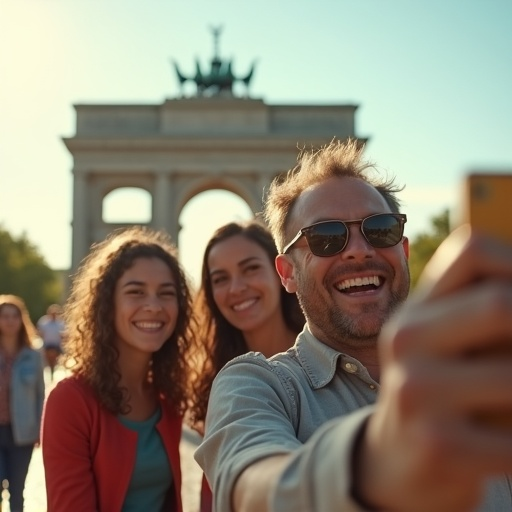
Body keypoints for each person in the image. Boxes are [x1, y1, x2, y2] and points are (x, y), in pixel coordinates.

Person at [194, 138, 512, 512]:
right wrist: (372, 461)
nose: (359, 249)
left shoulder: (486, 376)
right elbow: (250, 485)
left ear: (404, 251)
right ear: (287, 273)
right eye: (327, 237)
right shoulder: (255, 384)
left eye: (380, 230)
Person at [41, 226, 197, 512]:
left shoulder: (167, 397)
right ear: (107, 304)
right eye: (136, 292)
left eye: (166, 293)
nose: (153, 305)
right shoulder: (70, 400)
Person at [188, 220, 305, 511]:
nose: (236, 288)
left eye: (250, 269)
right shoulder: (216, 385)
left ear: (281, 271)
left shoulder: (335, 359)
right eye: (220, 278)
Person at [0, 294, 45, 512]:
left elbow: (40, 395)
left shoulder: (33, 355)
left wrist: (40, 429)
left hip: (22, 433)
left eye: (14, 316)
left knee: (17, 490)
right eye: (4, 316)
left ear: (21, 320)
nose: (9, 321)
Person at [36, 303, 65, 381]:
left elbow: (63, 335)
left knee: (62, 356)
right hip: (47, 344)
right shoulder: (43, 322)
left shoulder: (60, 323)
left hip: (56, 345)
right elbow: (40, 333)